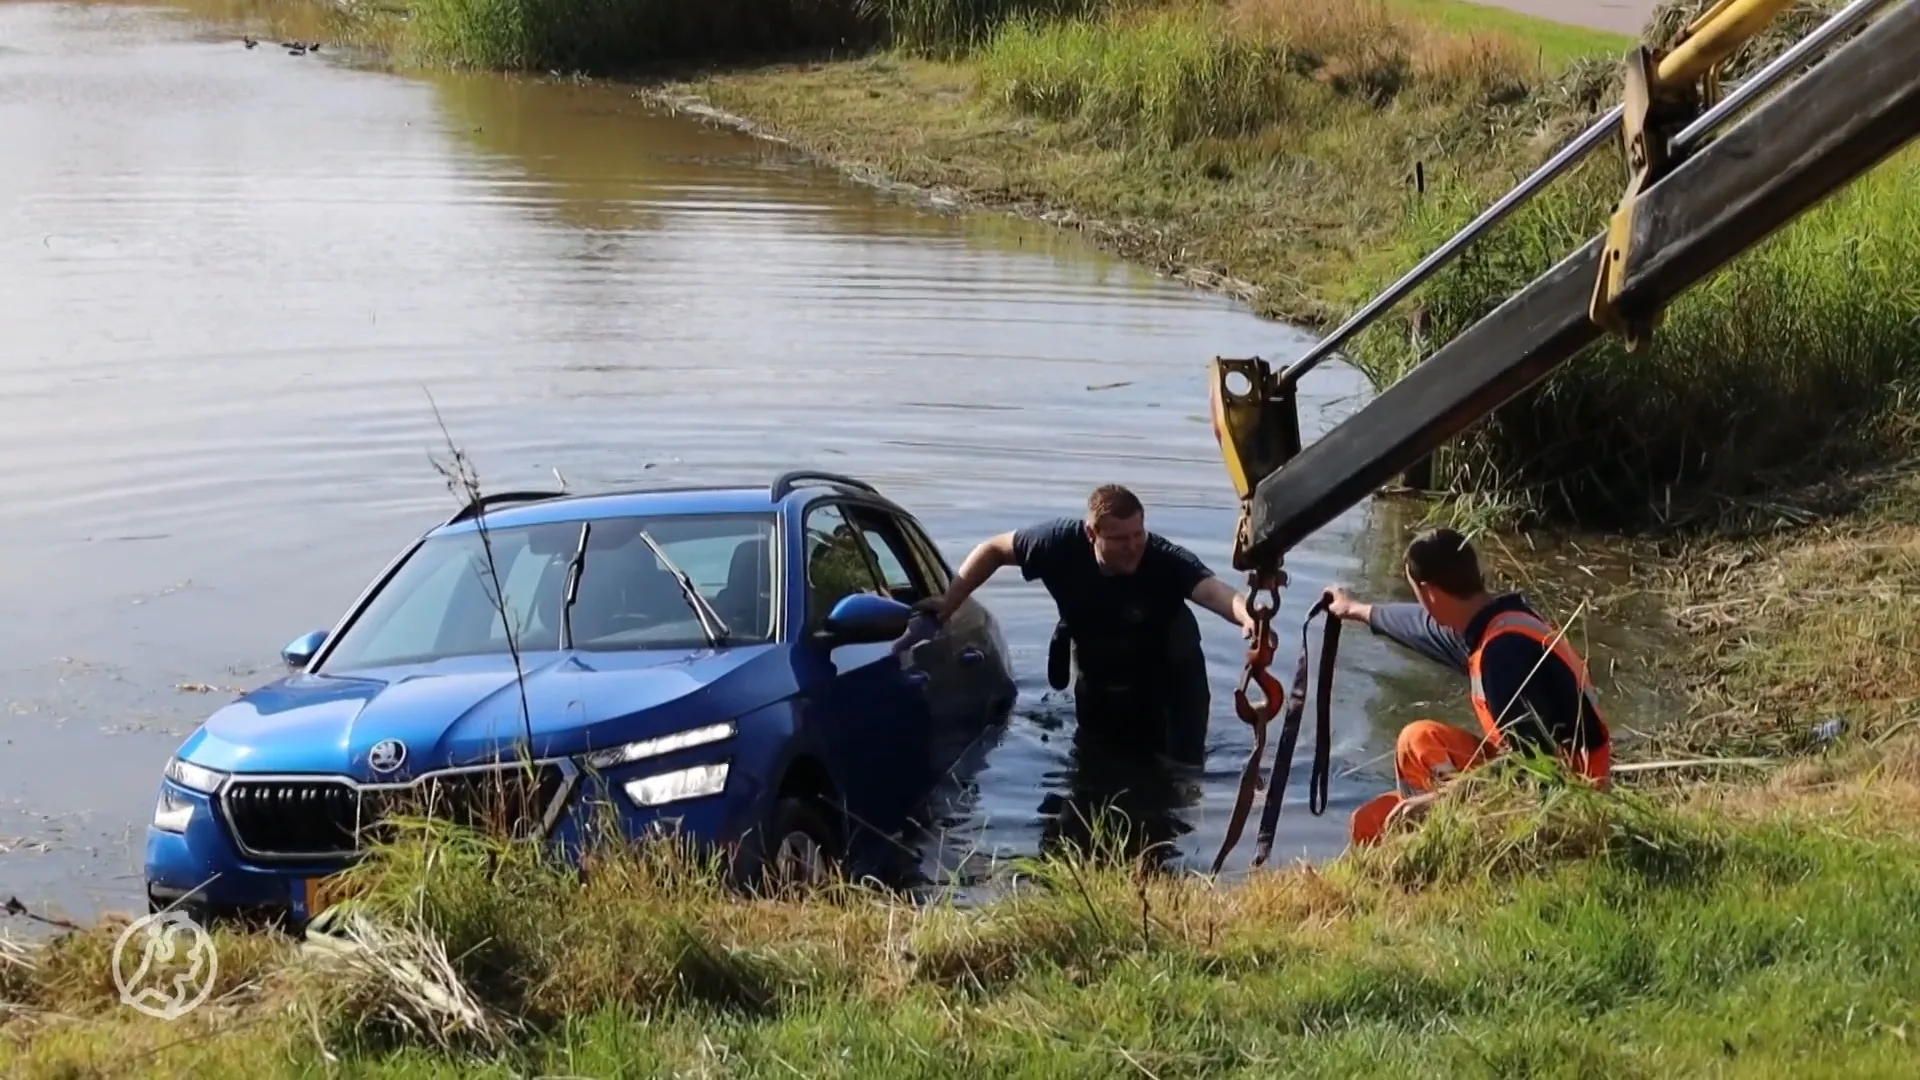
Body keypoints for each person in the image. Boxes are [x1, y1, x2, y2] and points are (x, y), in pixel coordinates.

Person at [915, 484, 1258, 766]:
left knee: (1180, 770)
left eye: (1138, 534)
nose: (1133, 547)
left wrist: (1248, 616)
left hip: (1171, 675)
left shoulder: (1162, 559)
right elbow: (993, 549)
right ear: (1092, 533)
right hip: (1099, 668)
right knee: (1095, 758)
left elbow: (1214, 592)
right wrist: (948, 603)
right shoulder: (1057, 545)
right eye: (1121, 539)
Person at [1327, 527, 1612, 844]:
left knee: (1408, 792)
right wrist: (1355, 610)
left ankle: (1438, 844)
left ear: (1430, 593)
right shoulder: (1502, 618)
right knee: (1419, 740)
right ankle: (1430, 830)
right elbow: (1421, 627)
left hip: (1568, 797)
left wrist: (1443, 799)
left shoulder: (1503, 657)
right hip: (1543, 770)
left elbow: (1537, 766)